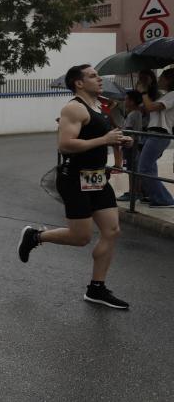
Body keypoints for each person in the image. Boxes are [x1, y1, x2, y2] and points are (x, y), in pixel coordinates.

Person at [18, 64, 133, 309]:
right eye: (93, 76)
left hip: (97, 178)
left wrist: (121, 140)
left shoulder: (98, 107)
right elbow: (66, 145)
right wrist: (105, 139)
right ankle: (35, 236)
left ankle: (96, 288)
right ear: (79, 83)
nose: (99, 79)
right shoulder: (73, 108)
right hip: (75, 179)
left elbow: (100, 137)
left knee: (111, 231)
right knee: (80, 237)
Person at [136, 68, 174, 208]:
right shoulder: (166, 95)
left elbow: (151, 107)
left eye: (162, 77)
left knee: (144, 168)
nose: (159, 80)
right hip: (154, 133)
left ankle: (165, 200)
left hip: (160, 134)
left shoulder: (172, 95)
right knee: (149, 167)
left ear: (169, 80)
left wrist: (144, 92)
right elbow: (147, 108)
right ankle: (154, 197)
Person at [116, 90, 144, 202]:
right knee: (131, 169)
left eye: (127, 99)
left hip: (131, 145)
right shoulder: (135, 113)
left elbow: (129, 130)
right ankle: (135, 191)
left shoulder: (134, 114)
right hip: (132, 144)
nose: (125, 101)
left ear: (132, 101)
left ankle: (134, 192)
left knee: (131, 170)